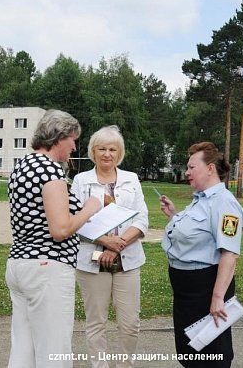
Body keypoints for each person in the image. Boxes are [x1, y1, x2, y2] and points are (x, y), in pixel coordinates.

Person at [6, 109, 102, 368]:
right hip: (48, 267)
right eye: (72, 139)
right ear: (59, 137)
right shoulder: (50, 171)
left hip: (19, 264)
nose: (74, 146)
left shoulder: (22, 166)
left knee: (23, 350)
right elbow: (59, 230)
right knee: (54, 351)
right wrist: (89, 209)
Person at [159, 142, 243, 367]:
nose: (186, 172)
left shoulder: (224, 203)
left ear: (210, 168)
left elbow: (229, 253)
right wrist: (174, 215)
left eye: (191, 167)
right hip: (186, 290)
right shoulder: (200, 200)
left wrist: (218, 298)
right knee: (190, 351)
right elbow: (197, 236)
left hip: (205, 290)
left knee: (212, 353)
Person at [71, 125, 148, 368]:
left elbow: (141, 218)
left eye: (112, 149)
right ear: (93, 152)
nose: (107, 154)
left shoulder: (131, 179)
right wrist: (105, 242)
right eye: (101, 148)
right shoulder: (81, 181)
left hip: (128, 259)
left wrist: (117, 246)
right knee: (96, 322)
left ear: (120, 152)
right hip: (90, 261)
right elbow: (75, 221)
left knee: (130, 323)